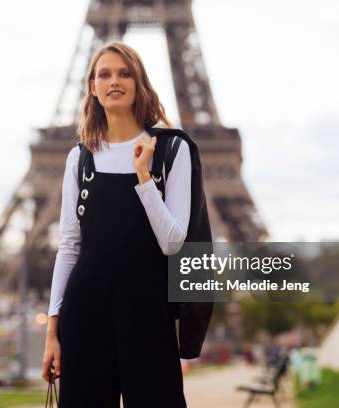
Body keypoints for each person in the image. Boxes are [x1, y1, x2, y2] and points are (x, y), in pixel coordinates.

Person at [42, 41, 199, 407]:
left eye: (125, 73)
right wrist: (53, 333)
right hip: (86, 312)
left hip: (147, 313)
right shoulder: (79, 158)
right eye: (105, 74)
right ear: (92, 87)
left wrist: (144, 178)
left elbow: (174, 244)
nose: (115, 81)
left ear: (139, 83)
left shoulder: (173, 151)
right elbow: (69, 247)